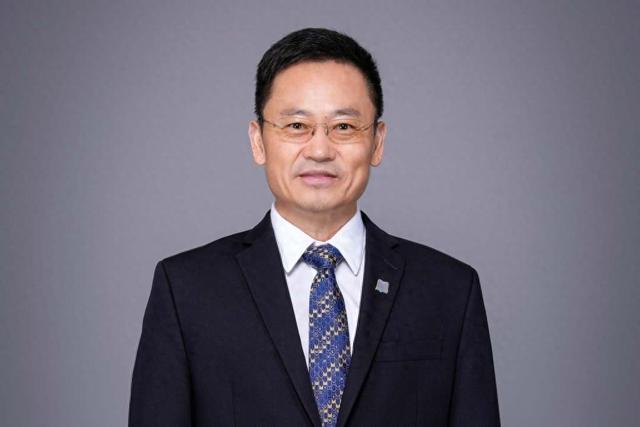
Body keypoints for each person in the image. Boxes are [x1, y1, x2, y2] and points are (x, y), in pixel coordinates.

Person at [129, 27, 500, 427]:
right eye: (296, 126)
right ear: (258, 141)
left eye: (344, 127)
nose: (320, 150)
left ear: (377, 142)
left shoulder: (449, 290)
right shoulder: (187, 291)